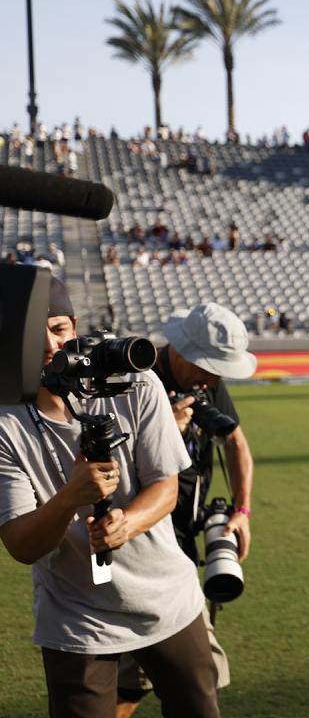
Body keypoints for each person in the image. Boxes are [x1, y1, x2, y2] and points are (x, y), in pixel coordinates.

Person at [0, 278, 219, 717]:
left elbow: (166, 485)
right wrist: (69, 500)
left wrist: (126, 524)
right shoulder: (5, 421)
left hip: (167, 600)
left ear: (75, 325)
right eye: (32, 334)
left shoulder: (135, 382)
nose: (49, 345)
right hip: (78, 618)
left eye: (59, 329)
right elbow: (21, 545)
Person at [116, 302, 257, 716]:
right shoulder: (137, 382)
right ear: (181, 350)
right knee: (195, 676)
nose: (215, 378)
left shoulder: (205, 379)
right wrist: (165, 431)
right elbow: (109, 471)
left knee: (134, 680)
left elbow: (235, 441)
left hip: (182, 543)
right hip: (140, 548)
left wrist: (242, 511)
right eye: (210, 367)